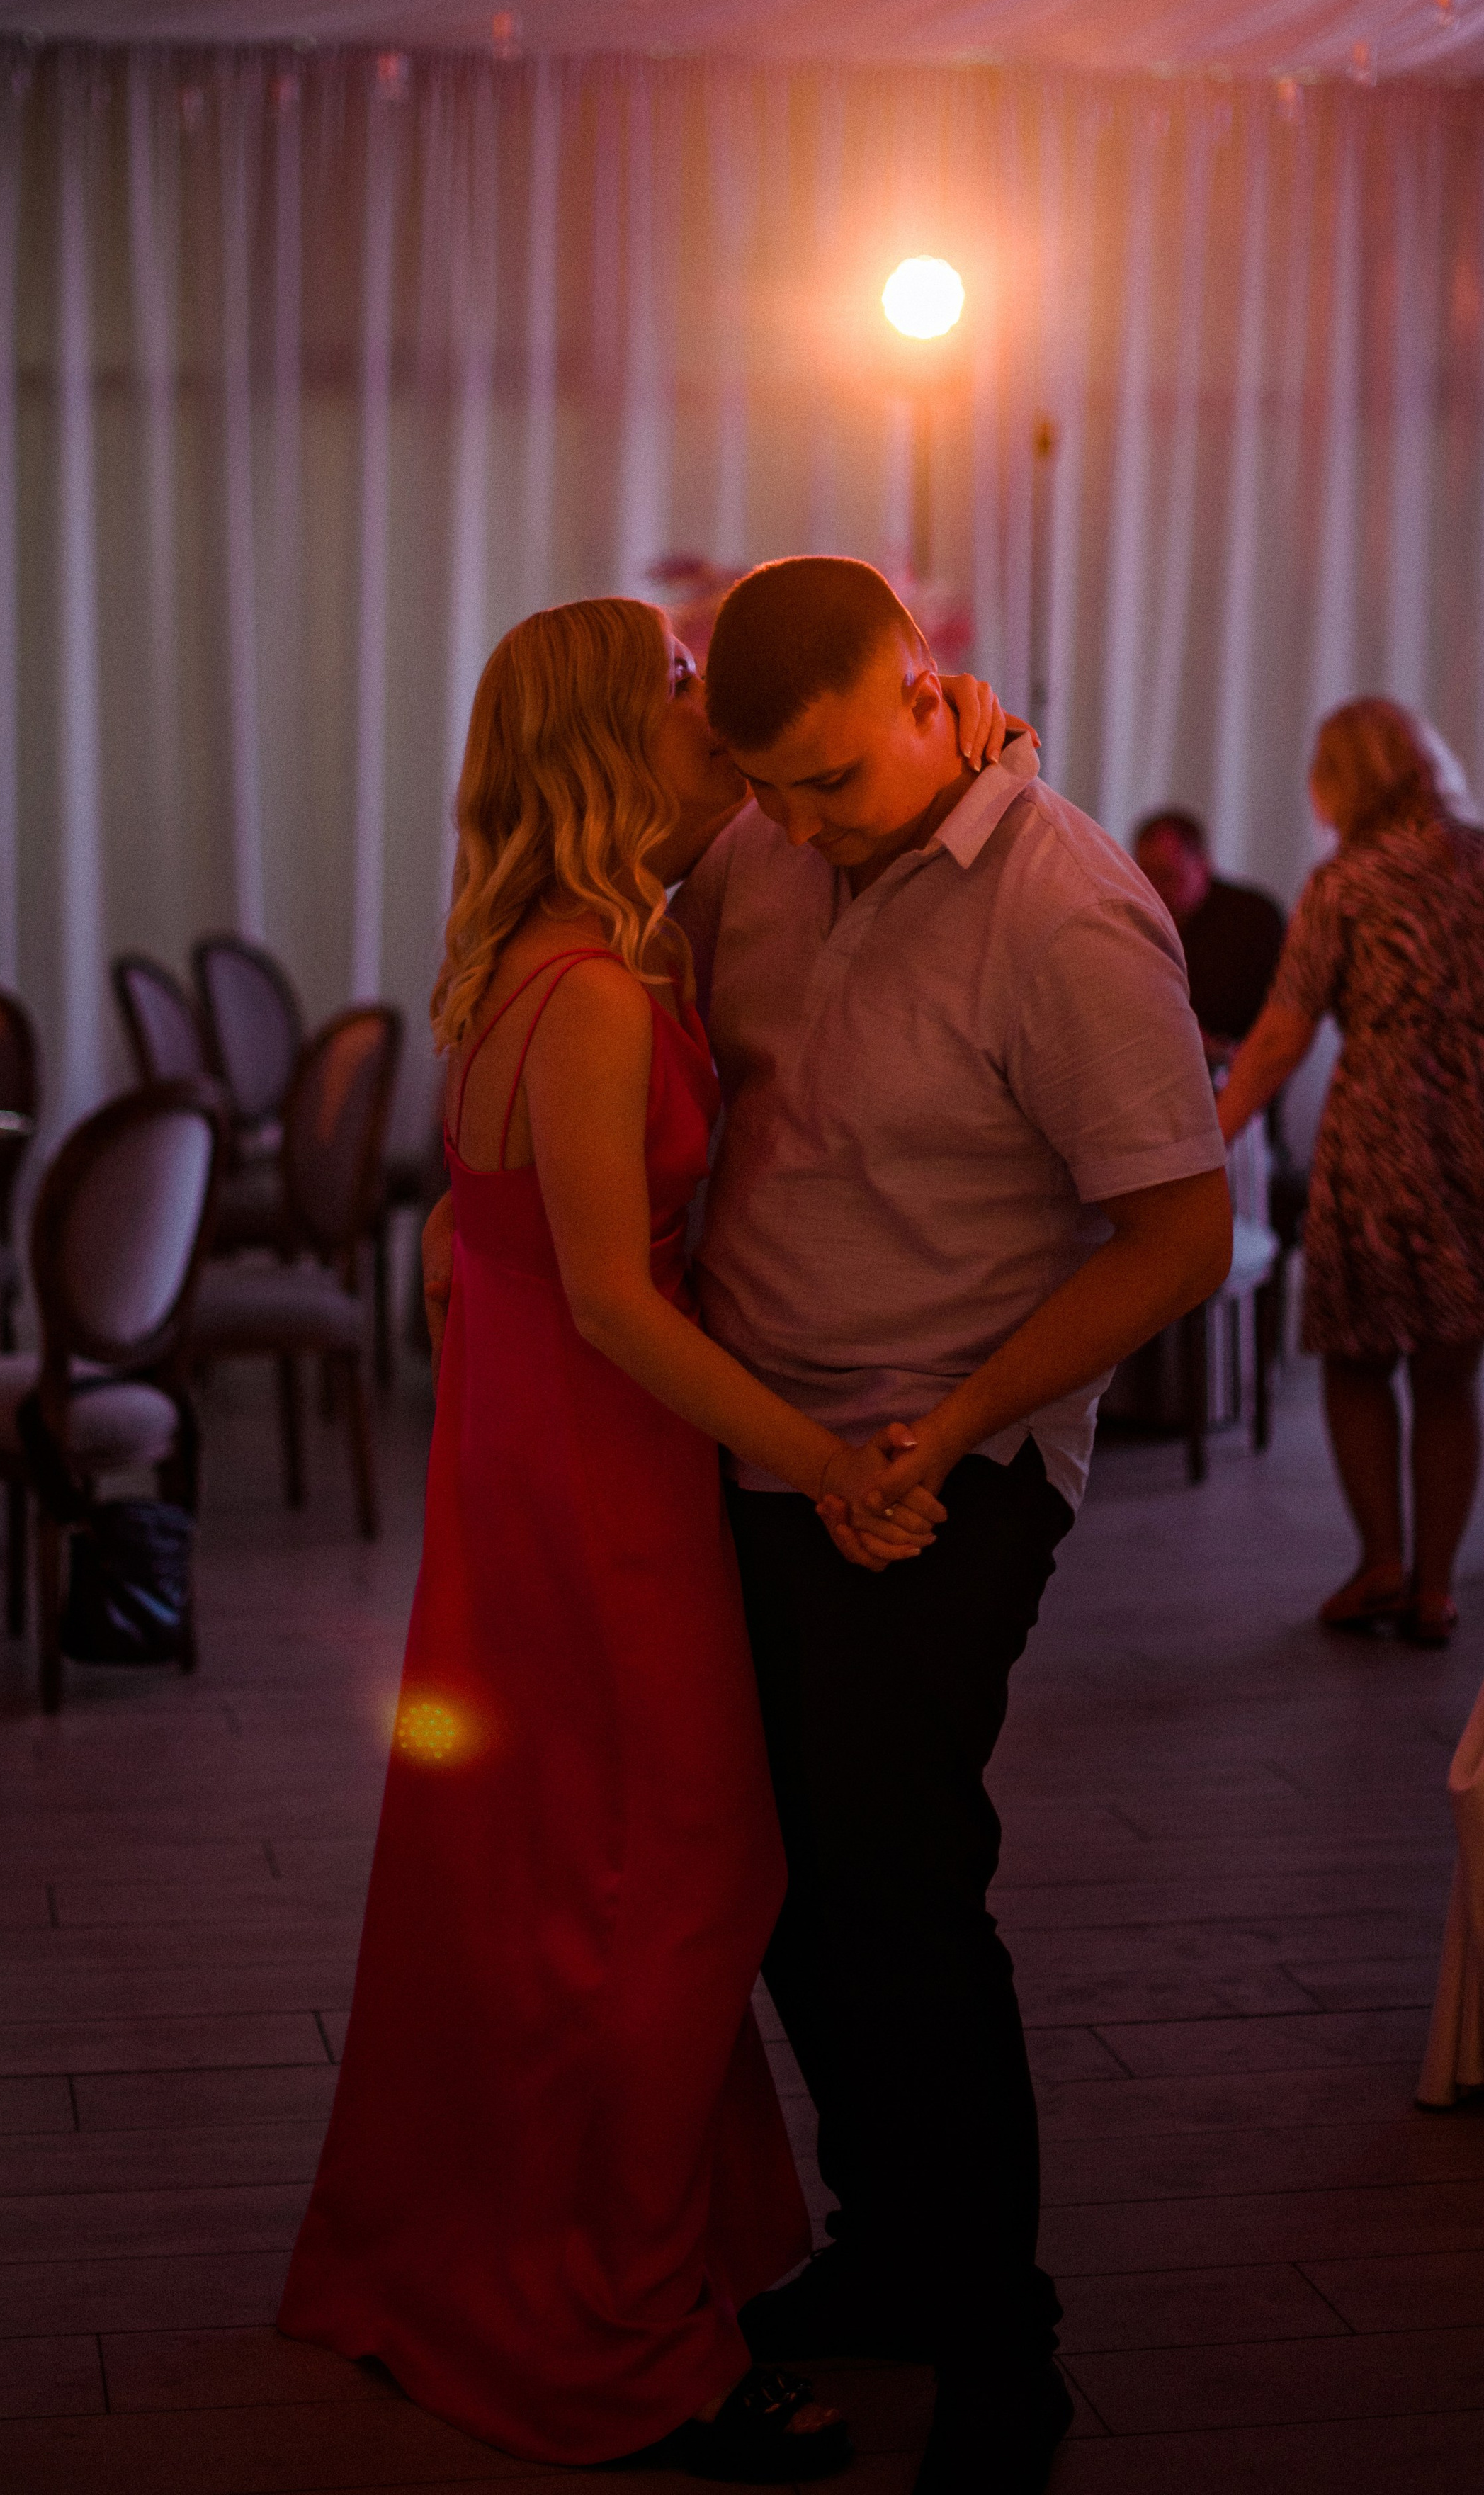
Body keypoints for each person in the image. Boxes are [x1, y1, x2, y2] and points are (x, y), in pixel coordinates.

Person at [280, 601, 1009, 2478]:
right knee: (674, 1886)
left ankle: (561, 2259)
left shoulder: (549, 956)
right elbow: (613, 1297)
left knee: (561, 1887)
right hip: (606, 1487)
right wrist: (831, 1463)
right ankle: (619, 2341)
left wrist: (966, 731)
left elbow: (513, 1220)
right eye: (679, 687)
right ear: (614, 743)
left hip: (529, 1462)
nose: (709, 707)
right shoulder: (598, 993)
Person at [677, 557, 1231, 2495]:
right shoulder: (758, 845)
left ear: (929, 695)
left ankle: (1004, 2339)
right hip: (759, 1443)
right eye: (770, 789)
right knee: (781, 1877)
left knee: (903, 1885)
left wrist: (958, 1421)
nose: (801, 825)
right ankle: (897, 2242)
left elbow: (1180, 1236)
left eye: (832, 778)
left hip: (954, 1459)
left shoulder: (1064, 909)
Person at [1217, 697, 1484, 1651]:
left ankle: (1379, 1564)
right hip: (1475, 1140)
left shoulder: (1345, 883)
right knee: (1450, 1371)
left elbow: (1280, 1037)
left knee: (1359, 1359)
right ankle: (1436, 1589)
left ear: (1339, 779)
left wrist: (1206, 1144)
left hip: (1382, 1137)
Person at [1132, 808, 1286, 1055]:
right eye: (1143, 877)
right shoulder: (1139, 920)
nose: (1153, 890)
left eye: (1166, 876)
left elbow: (1275, 1021)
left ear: (1202, 865)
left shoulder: (1254, 919)